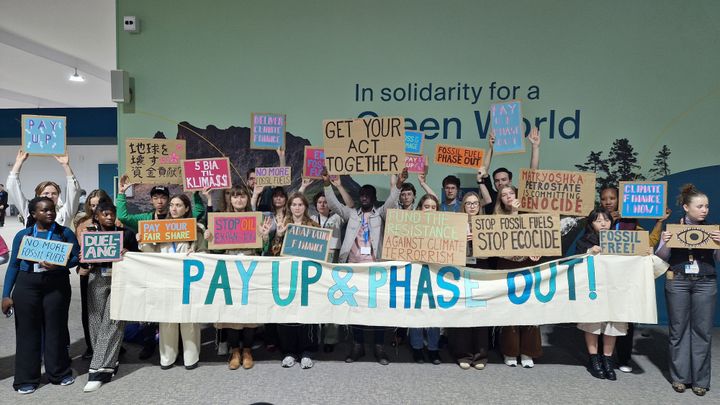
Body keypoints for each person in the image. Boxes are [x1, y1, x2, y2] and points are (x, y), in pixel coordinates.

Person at [322, 166, 408, 365]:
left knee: (377, 309)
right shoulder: (351, 214)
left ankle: (379, 347)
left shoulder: (382, 213)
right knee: (356, 308)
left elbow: (392, 200)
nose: (364, 197)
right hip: (353, 267)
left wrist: (399, 183)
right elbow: (334, 205)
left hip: (376, 268)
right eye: (362, 194)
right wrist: (327, 183)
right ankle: (357, 346)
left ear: (374, 197)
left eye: (368, 194)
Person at [2, 197, 81, 394]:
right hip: (27, 285)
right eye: (44, 210)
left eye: (52, 209)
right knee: (27, 332)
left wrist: (60, 264)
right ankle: (26, 379)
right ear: (34, 214)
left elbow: (75, 258)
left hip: (56, 284)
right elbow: (13, 266)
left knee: (56, 329)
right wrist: (6, 295)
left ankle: (59, 373)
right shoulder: (23, 235)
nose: (50, 213)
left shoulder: (65, 234)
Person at [656, 184, 720, 396]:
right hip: (678, 280)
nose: (705, 210)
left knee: (702, 331)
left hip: (705, 281)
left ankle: (701, 380)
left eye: (707, 206)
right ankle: (680, 378)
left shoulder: (713, 231)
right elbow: (662, 258)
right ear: (686, 207)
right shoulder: (672, 229)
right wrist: (666, 243)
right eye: (700, 206)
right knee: (678, 329)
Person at [598, 185, 670, 372]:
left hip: (625, 279)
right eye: (604, 198)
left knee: (625, 318)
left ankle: (623, 358)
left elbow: (648, 242)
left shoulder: (631, 223)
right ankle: (601, 356)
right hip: (604, 277)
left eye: (612, 198)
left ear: (619, 200)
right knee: (601, 317)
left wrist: (659, 222)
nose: (608, 202)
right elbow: (590, 242)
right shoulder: (597, 220)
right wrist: (608, 224)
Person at [138, 194, 207, 370]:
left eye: (178, 205)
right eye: (172, 205)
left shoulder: (196, 229)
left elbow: (205, 252)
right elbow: (150, 253)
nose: (174, 209)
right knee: (167, 320)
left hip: (188, 281)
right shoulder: (160, 228)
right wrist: (142, 241)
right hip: (165, 280)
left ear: (186, 208)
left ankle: (191, 356)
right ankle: (167, 357)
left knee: (189, 320)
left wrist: (197, 254)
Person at [79, 200, 140, 392]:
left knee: (113, 322)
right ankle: (109, 360)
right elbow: (80, 264)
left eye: (111, 213)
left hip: (119, 279)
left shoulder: (126, 234)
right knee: (95, 322)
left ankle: (98, 372)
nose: (108, 217)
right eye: (104, 214)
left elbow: (140, 258)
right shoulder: (89, 234)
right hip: (96, 279)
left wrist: (129, 253)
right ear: (96, 216)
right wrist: (82, 258)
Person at [205, 185, 266, 370]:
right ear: (230, 200)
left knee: (249, 312)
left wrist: (264, 237)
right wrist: (209, 238)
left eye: (242, 197)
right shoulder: (222, 219)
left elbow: (262, 248)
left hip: (250, 269)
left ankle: (247, 350)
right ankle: (235, 351)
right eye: (235, 197)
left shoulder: (256, 219)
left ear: (248, 200)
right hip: (230, 270)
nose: (239, 200)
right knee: (231, 312)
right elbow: (216, 249)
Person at [575, 207, 636, 381]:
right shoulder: (584, 241)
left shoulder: (622, 240)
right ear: (591, 223)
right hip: (593, 290)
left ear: (612, 222)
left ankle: (608, 359)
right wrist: (589, 253)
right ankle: (594, 359)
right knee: (592, 324)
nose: (603, 223)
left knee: (613, 324)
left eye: (606, 220)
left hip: (615, 290)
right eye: (598, 220)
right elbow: (576, 264)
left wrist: (644, 253)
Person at [262, 193, 320, 369]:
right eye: (294, 204)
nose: (297, 207)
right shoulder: (283, 225)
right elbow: (273, 253)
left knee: (306, 316)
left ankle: (307, 352)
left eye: (300, 204)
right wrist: (278, 236)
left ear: (305, 207)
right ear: (289, 207)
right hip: (286, 277)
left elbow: (320, 253)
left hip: (307, 278)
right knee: (286, 315)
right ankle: (288, 352)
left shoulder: (314, 226)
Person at [300, 176, 354, 352]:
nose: (322, 204)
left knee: (333, 297)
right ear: (315, 205)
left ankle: (330, 338)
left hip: (333, 256)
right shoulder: (310, 218)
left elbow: (351, 206)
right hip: (315, 258)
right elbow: (293, 205)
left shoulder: (337, 217)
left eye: (325, 202)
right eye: (320, 202)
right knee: (315, 297)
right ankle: (314, 334)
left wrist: (338, 186)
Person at [493, 185, 543, 368]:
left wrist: (538, 251)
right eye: (503, 195)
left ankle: (528, 351)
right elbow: (506, 237)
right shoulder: (497, 217)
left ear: (517, 194)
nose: (507, 197)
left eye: (511, 193)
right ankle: (510, 351)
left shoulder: (531, 214)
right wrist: (514, 213)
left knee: (530, 308)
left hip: (528, 265)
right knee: (510, 309)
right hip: (507, 266)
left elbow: (540, 237)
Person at [447, 191, 491, 370]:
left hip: (482, 270)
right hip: (461, 270)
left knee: (481, 313)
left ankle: (481, 355)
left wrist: (480, 241)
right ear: (463, 206)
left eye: (475, 203)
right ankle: (462, 354)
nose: (472, 206)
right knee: (463, 312)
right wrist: (460, 241)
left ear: (479, 206)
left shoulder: (488, 224)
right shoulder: (456, 224)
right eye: (468, 203)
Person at [73, 189, 114, 360]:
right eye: (93, 205)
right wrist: (80, 264)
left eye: (100, 203)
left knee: (111, 311)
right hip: (89, 272)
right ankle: (92, 345)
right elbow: (77, 250)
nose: (96, 207)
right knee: (90, 312)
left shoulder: (114, 221)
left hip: (111, 272)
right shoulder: (83, 224)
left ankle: (112, 344)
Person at [407, 194, 443, 364]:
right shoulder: (410, 227)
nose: (429, 210)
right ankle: (417, 348)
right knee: (416, 310)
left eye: (433, 207)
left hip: (436, 273)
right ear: (420, 209)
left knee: (434, 311)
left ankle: (433, 349)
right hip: (415, 272)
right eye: (426, 206)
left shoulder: (445, 228)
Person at [6, 149, 81, 226]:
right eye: (46, 193)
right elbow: (13, 188)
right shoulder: (29, 211)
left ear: (58, 196)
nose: (50, 196)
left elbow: (74, 191)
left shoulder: (65, 213)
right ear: (38, 195)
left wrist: (66, 166)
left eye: (54, 193)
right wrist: (18, 162)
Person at [116, 174, 206, 232]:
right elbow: (123, 217)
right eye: (155, 198)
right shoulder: (145, 219)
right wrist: (121, 193)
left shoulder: (177, 217)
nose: (159, 201)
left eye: (163, 198)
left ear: (168, 200)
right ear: (151, 200)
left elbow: (199, 211)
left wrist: (195, 194)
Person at [482, 128, 541, 213]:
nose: (500, 183)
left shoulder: (520, 195)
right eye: (497, 181)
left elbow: (532, 175)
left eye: (504, 179)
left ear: (510, 181)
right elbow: (483, 171)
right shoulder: (492, 196)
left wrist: (535, 147)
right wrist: (491, 148)